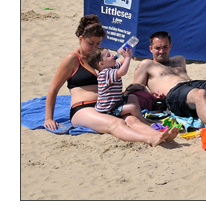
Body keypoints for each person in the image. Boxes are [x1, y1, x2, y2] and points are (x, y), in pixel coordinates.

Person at [44, 15, 178, 146]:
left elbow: (116, 73)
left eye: (98, 43)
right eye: (91, 43)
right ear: (81, 39)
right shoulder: (72, 59)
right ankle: (149, 139)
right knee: (116, 123)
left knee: (132, 120)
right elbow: (54, 89)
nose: (94, 47)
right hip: (83, 108)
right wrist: (48, 118)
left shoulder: (102, 59)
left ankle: (159, 135)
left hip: (108, 105)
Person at [85, 46, 146, 122]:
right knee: (133, 107)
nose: (112, 55)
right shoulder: (105, 73)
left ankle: (140, 117)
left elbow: (122, 63)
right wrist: (127, 58)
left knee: (133, 97)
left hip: (116, 103)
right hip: (108, 110)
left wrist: (128, 55)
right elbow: (122, 72)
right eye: (108, 56)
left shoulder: (112, 67)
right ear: (101, 64)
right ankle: (144, 121)